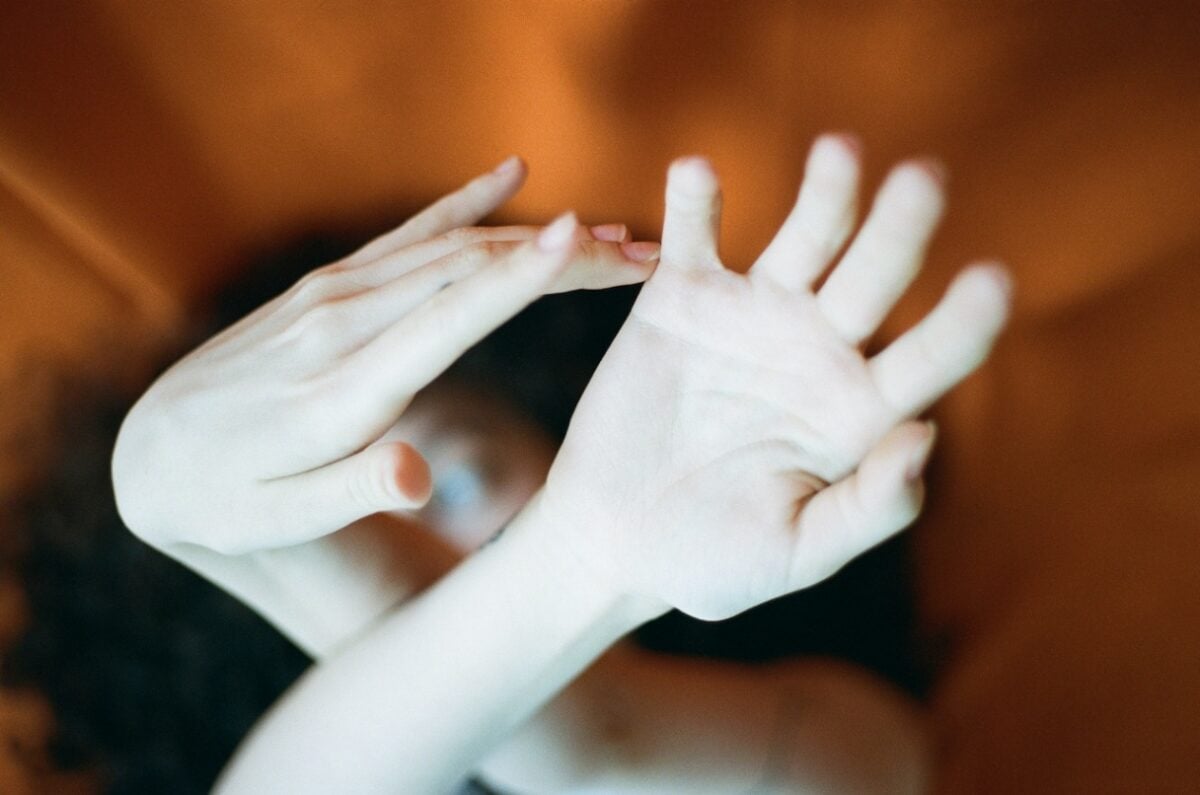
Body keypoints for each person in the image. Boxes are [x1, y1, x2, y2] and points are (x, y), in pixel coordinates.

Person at [112, 134, 1011, 792]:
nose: (410, 531)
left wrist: (586, 550)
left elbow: (597, 748)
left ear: (566, 421)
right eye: (343, 518)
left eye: (457, 475)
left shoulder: (822, 726)